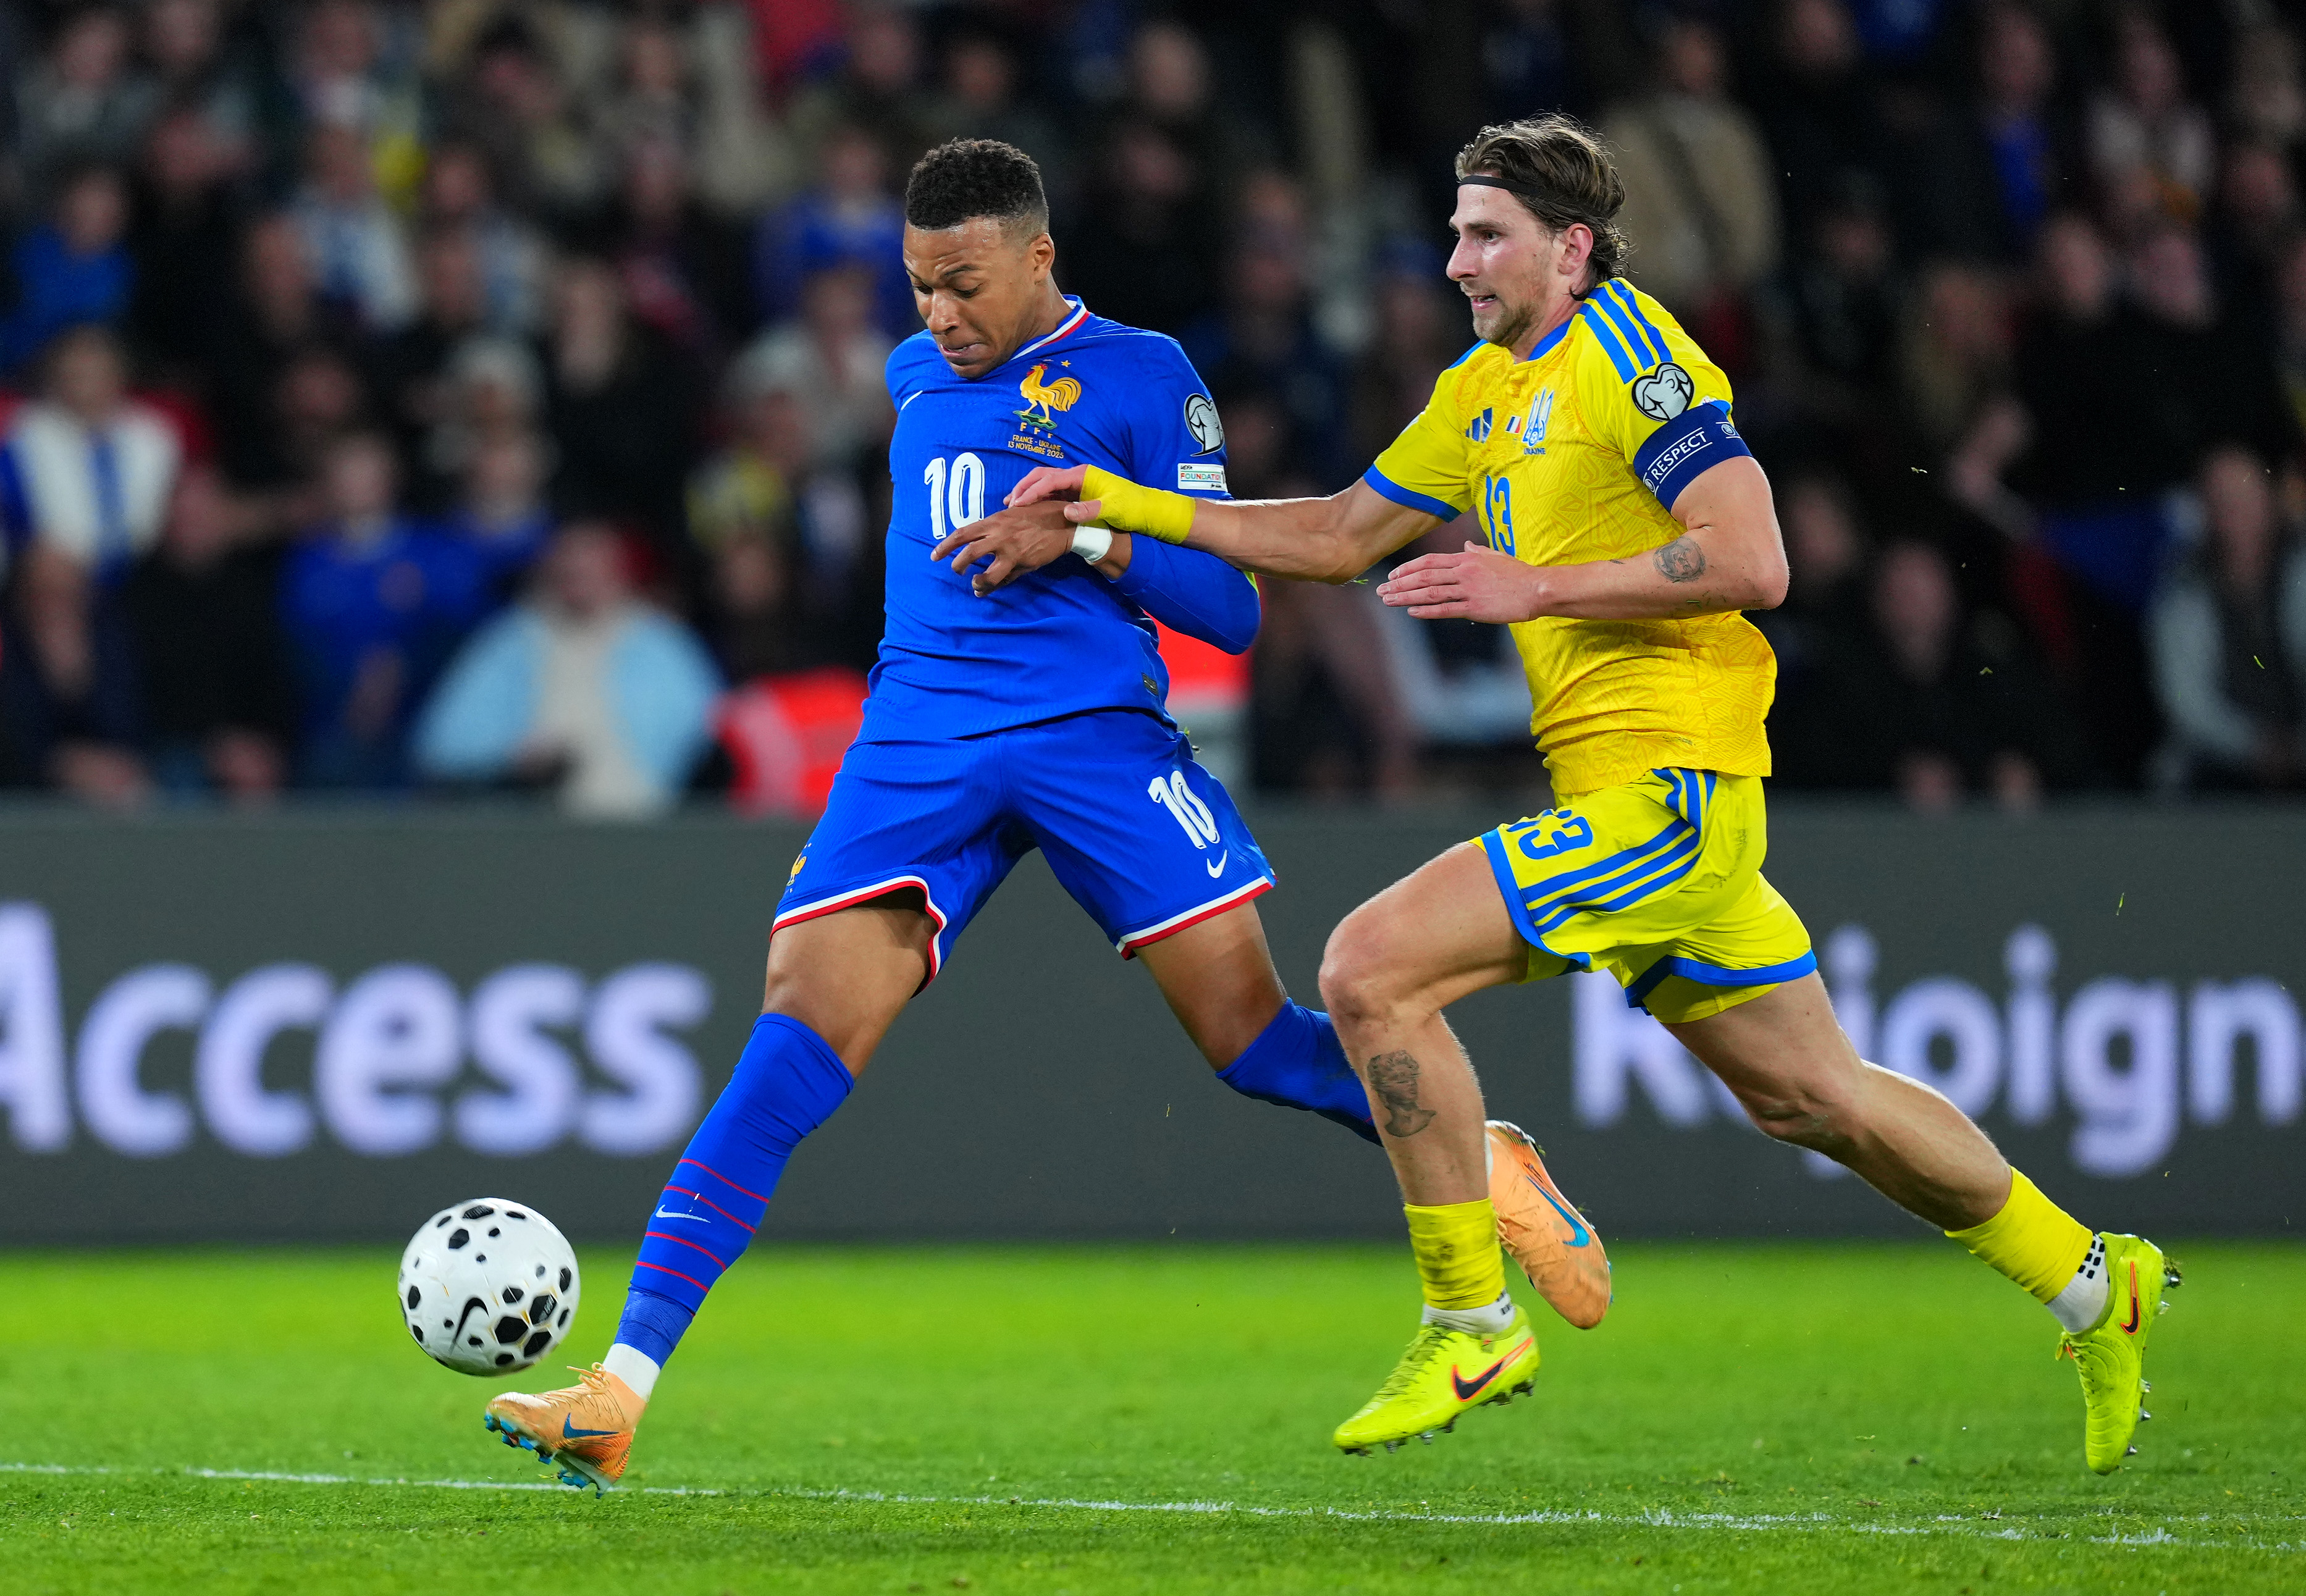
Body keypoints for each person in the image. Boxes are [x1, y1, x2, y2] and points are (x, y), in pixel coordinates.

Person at [963, 114, 2176, 1470]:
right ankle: (2091, 1277)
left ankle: (1470, 1314)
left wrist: (1530, 585)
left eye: (1486, 235)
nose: (1456, 260)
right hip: (1637, 796)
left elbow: (1754, 557)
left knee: (1369, 969)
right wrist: (1116, 511)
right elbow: (1341, 534)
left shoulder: (1633, 360)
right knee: (1814, 1099)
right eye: (1454, 232)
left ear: (1573, 246)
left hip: (1673, 789)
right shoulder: (1483, 387)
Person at [479, 138, 1608, 1493]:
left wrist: (1085, 534)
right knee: (789, 1039)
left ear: (1037, 258)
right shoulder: (911, 378)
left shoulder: (1142, 377)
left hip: (1091, 742)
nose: (938, 316)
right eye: (916, 286)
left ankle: (1480, 1154)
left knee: (1251, 1046)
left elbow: (1234, 615)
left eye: (962, 283)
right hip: (920, 743)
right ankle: (619, 1387)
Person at [414, 520, 721, 817]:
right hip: (535, 828)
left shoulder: (662, 644)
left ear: (617, 570)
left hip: (646, 827)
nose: (579, 574)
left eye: (591, 564)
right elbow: (441, 746)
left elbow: (709, 738)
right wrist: (513, 759)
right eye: (569, 565)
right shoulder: (512, 641)